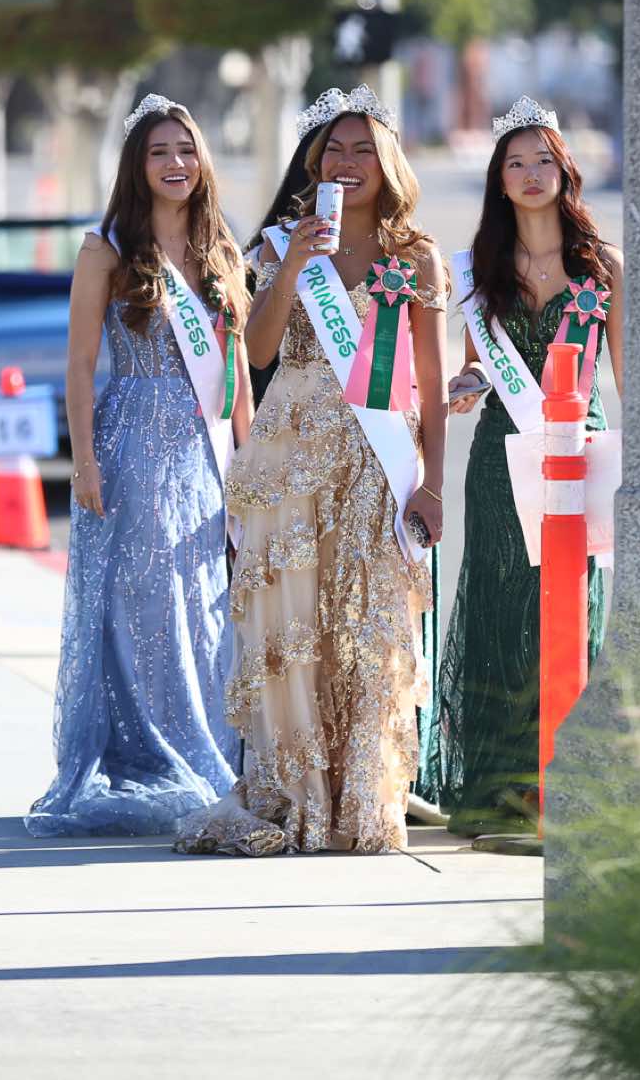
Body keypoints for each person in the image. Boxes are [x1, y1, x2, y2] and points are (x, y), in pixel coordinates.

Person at [175, 86, 449, 857]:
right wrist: (293, 263)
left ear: (388, 162)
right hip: (291, 453)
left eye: (364, 150)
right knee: (295, 626)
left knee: (369, 625)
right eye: (335, 150)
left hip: (376, 459)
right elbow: (258, 352)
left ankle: (361, 793)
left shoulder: (416, 256)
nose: (347, 162)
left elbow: (430, 383)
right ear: (315, 162)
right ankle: (298, 792)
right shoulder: (280, 244)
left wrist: (433, 482)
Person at [25, 95, 253, 837]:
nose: (175, 163)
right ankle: (148, 750)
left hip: (204, 453)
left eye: (186, 150)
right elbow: (80, 364)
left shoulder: (220, 248)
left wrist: (249, 464)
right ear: (137, 165)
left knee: (203, 603)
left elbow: (238, 373)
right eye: (160, 152)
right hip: (132, 443)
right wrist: (84, 460)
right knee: (142, 608)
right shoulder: (107, 249)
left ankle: (209, 742)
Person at [435, 97, 625, 837]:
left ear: (565, 171)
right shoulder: (482, 267)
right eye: (515, 163)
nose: (531, 173)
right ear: (500, 182)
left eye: (544, 159)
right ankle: (502, 789)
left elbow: (626, 375)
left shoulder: (602, 266)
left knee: (572, 613)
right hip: (500, 458)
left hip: (579, 457)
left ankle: (565, 782)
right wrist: (466, 382)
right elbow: (480, 367)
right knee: (503, 613)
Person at [246, 108, 321, 407]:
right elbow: (257, 362)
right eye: (331, 151)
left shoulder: (395, 255)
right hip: (287, 415)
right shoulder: (267, 254)